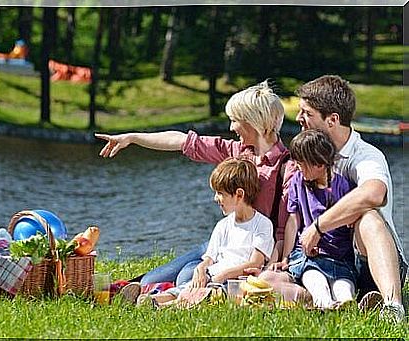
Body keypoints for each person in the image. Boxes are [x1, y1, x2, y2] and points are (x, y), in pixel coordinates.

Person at [96, 81, 295, 287]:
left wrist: (275, 263)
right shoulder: (236, 151)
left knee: (186, 277)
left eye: (235, 120)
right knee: (148, 280)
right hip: (219, 245)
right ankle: (151, 289)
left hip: (250, 251)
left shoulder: (286, 168)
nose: (231, 127)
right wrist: (133, 137)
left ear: (255, 122)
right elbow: (182, 141)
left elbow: (284, 228)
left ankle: (173, 293)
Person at [294, 75, 407, 321]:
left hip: (370, 260)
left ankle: (392, 307)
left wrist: (319, 226)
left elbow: (375, 192)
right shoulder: (308, 156)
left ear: (332, 119)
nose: (298, 118)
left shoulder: (365, 155)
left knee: (368, 217)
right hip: (329, 260)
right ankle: (345, 299)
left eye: (307, 113)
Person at [138, 158, 274, 308]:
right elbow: (209, 258)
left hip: (237, 280)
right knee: (190, 286)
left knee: (213, 293)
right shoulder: (223, 225)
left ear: (239, 195)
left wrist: (223, 275)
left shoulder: (262, 224)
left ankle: (168, 305)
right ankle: (156, 298)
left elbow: (255, 262)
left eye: (220, 193)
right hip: (214, 275)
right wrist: (201, 269)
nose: (216, 198)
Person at [267, 129, 357, 309]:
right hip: (309, 257)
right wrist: (285, 257)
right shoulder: (298, 182)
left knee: (342, 282)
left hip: (338, 257)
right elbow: (293, 222)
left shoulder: (343, 186)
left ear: (320, 164)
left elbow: (350, 223)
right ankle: (324, 303)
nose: (297, 166)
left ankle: (347, 302)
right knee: (314, 278)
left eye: (302, 162)